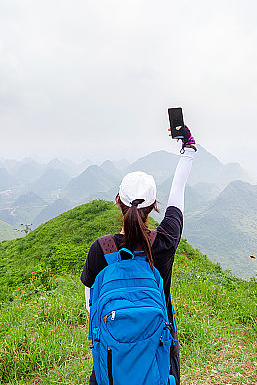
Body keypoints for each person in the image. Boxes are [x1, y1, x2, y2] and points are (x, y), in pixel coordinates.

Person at [81, 125, 196, 385]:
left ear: (118, 202)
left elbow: (91, 305)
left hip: (111, 353)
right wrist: (188, 149)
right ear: (154, 206)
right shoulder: (165, 242)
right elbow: (178, 192)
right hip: (159, 347)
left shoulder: (101, 248)